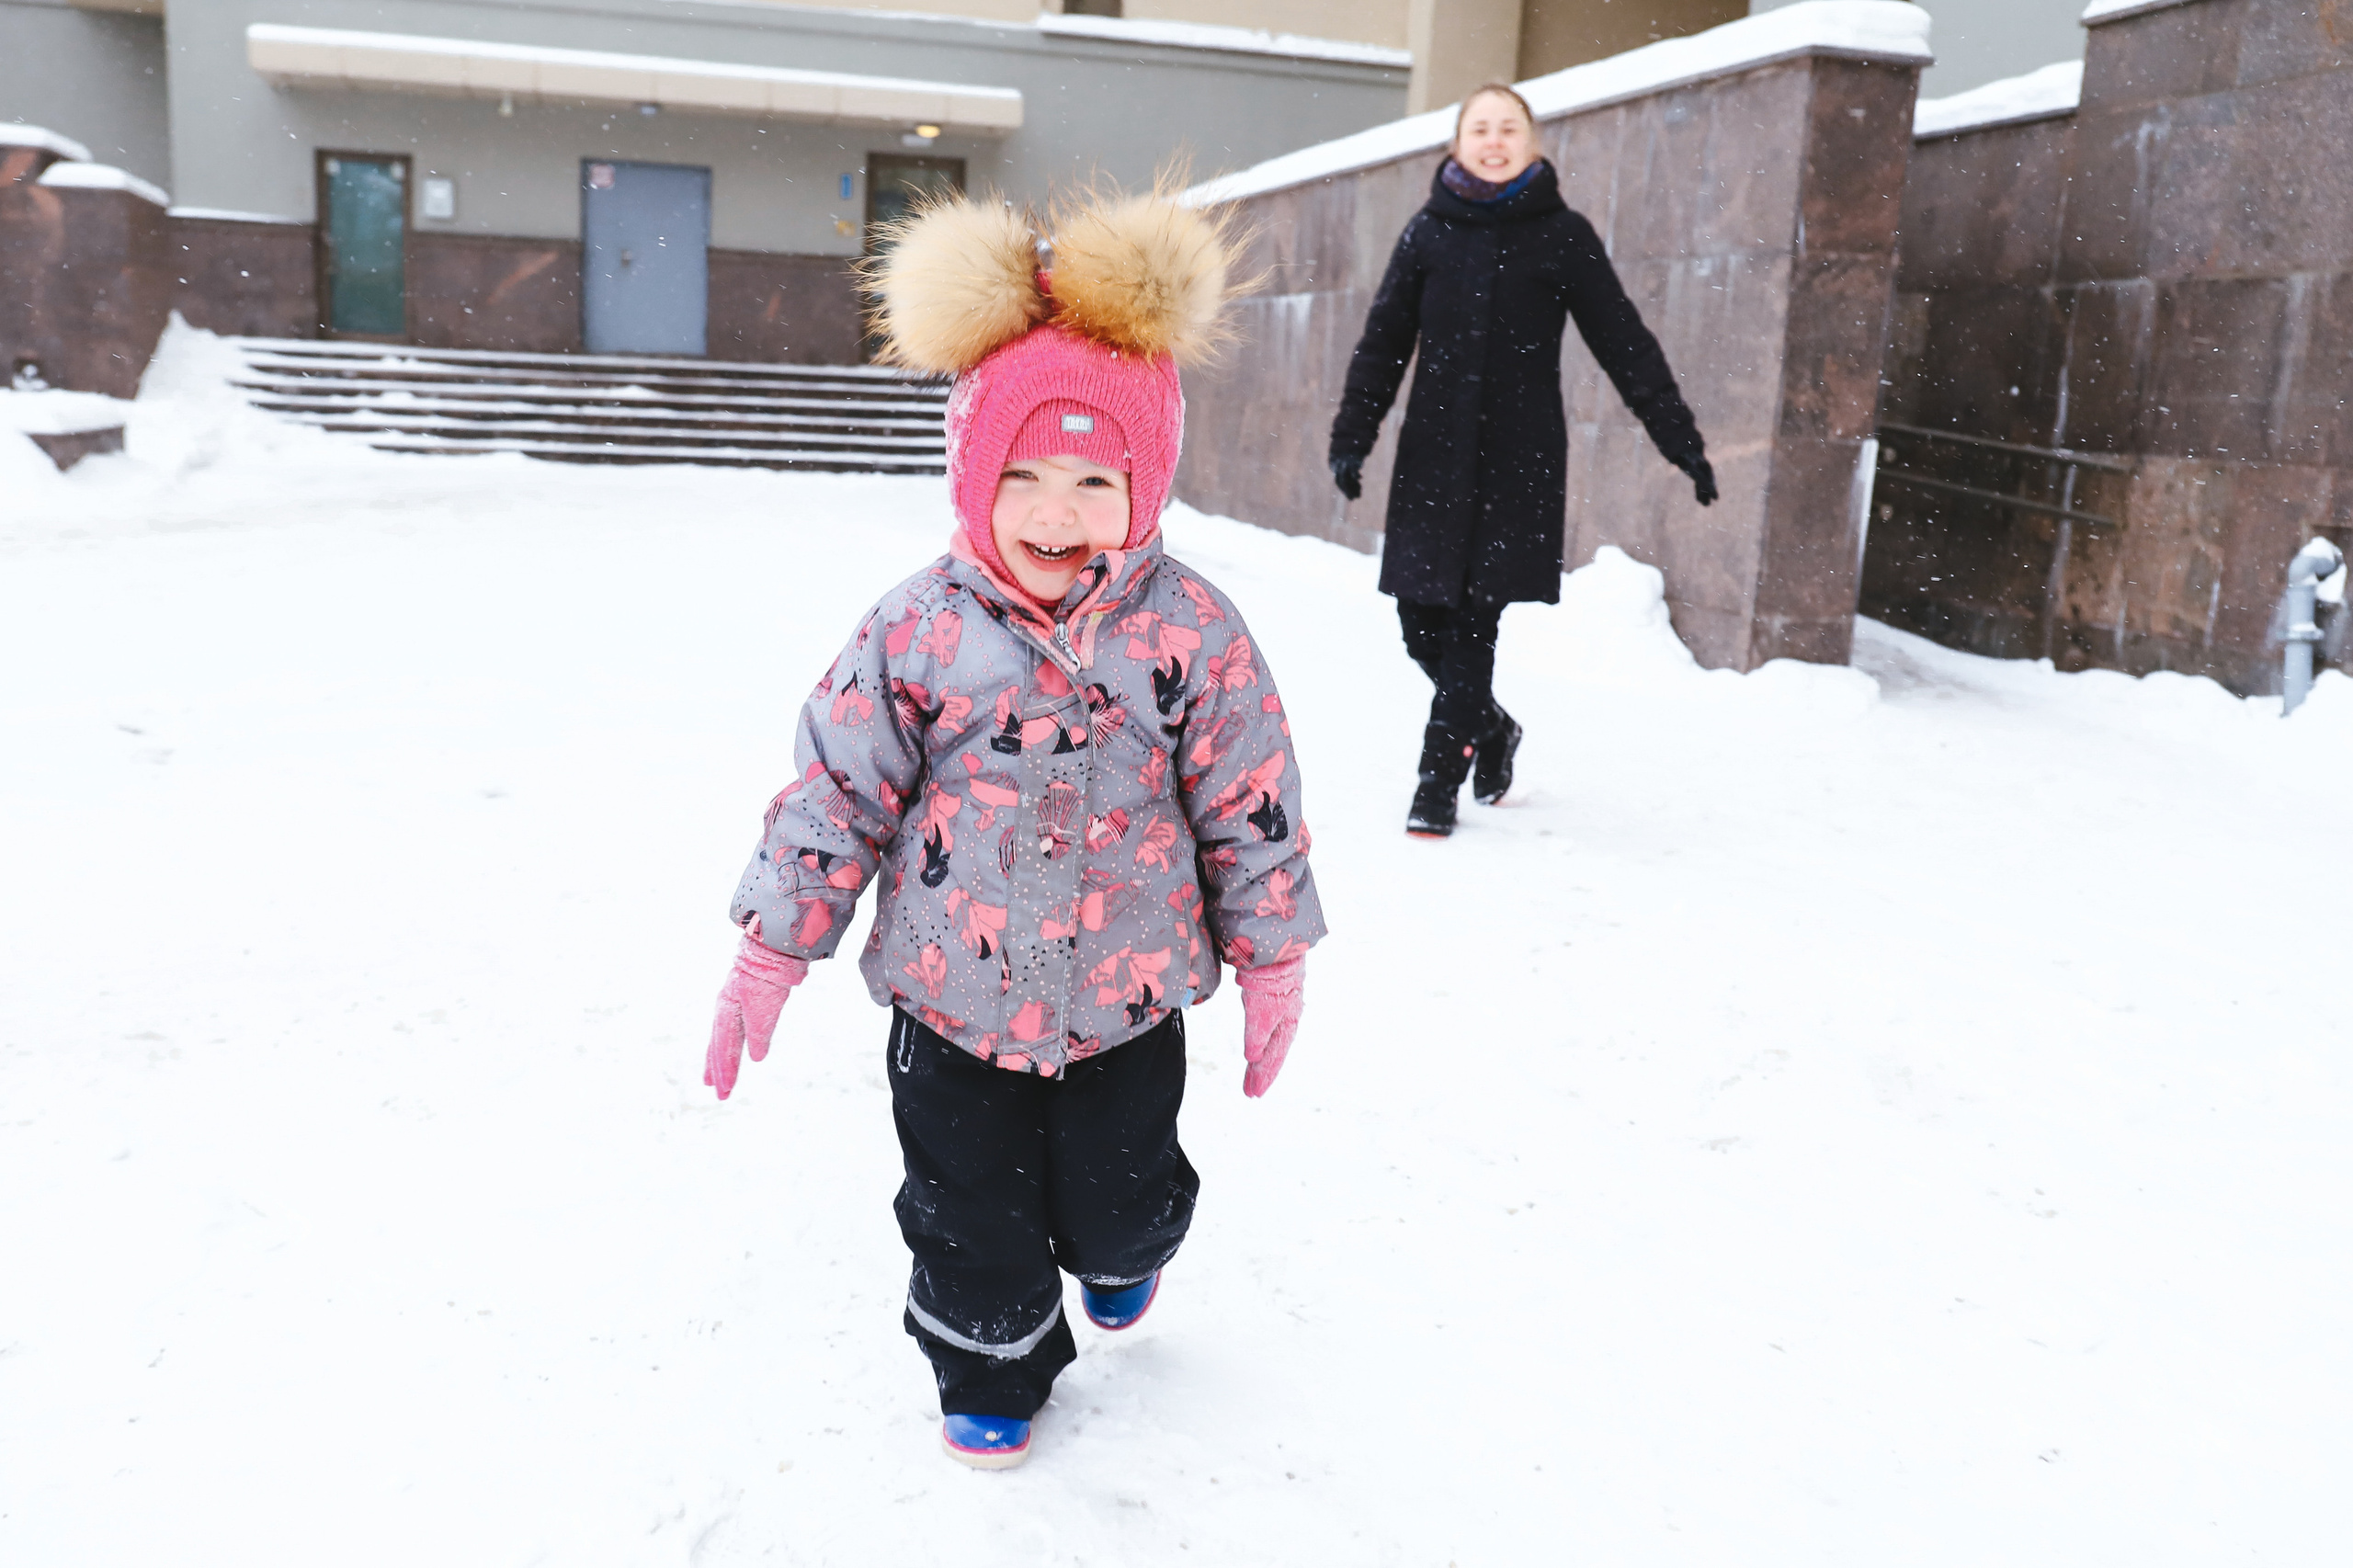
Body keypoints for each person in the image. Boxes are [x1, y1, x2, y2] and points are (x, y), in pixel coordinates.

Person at [702, 187, 1326, 1471]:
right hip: (949, 1000)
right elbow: (837, 787)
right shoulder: (918, 629)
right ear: (972, 477)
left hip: (1127, 996)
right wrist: (772, 944)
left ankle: (1127, 1252)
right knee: (964, 1208)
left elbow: (1250, 798)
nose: (1057, 511)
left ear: (1145, 485)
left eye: (1097, 479)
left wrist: (1275, 958)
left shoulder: (1191, 632)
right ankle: (990, 1353)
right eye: (1024, 476)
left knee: (1119, 1201)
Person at [1329, 83, 1716, 839]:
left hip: (1518, 464)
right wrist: (1354, 435)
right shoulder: (1427, 234)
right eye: (1481, 128)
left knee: (1475, 622)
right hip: (1434, 460)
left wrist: (1682, 442)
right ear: (1457, 143)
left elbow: (1624, 342)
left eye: (1510, 128)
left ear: (1533, 144)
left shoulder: (1562, 235)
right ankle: (1493, 729)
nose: (1495, 140)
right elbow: (1382, 343)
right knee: (1420, 626)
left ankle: (1436, 781)